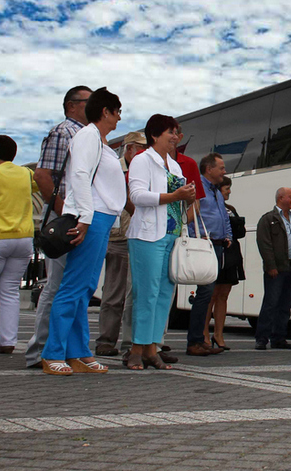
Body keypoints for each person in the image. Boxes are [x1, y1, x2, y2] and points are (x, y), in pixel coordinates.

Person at [40, 88, 127, 375]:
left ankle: (78, 351)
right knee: (73, 287)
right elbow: (78, 175)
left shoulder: (100, 140)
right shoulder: (88, 136)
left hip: (101, 218)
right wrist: (86, 218)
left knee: (85, 287)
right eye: (117, 111)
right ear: (105, 112)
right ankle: (53, 352)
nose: (119, 116)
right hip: (91, 217)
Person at [25, 85, 91, 369]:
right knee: (56, 286)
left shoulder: (88, 135)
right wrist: (66, 212)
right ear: (72, 105)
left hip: (79, 220)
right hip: (66, 220)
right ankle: (39, 351)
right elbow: (42, 174)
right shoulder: (62, 132)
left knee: (74, 286)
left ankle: (63, 349)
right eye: (89, 102)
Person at [126, 114, 196, 370]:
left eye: (177, 133)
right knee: (147, 292)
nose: (176, 137)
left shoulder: (174, 165)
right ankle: (136, 348)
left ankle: (152, 347)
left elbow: (178, 198)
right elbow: (137, 196)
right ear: (155, 136)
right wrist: (173, 195)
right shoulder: (142, 160)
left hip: (171, 234)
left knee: (164, 294)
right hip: (147, 235)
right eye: (171, 132)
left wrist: (185, 197)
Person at [0, 135, 39, 354]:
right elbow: (39, 184)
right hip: (24, 239)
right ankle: (8, 341)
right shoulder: (25, 173)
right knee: (10, 291)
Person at [94, 131, 145, 357]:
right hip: (117, 237)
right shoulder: (115, 168)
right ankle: (106, 340)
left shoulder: (143, 169)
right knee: (114, 292)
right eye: (140, 148)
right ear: (129, 149)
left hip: (139, 237)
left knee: (136, 295)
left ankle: (132, 343)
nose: (144, 153)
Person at [254, 187, 291, 350]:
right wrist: (270, 265)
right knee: (271, 302)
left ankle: (279, 337)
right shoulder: (268, 219)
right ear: (281, 198)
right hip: (277, 268)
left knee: (285, 304)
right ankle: (262, 338)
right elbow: (264, 244)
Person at [185, 153, 232, 356]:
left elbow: (224, 217)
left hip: (218, 246)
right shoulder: (198, 189)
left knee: (208, 292)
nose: (224, 171)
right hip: (205, 245)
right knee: (205, 293)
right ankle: (195, 340)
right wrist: (198, 236)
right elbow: (189, 216)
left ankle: (199, 339)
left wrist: (227, 234)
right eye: (221, 168)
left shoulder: (217, 192)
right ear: (208, 169)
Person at [203, 176, 245, 350]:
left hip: (231, 254)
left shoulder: (231, 209)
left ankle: (219, 334)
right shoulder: (212, 207)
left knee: (223, 295)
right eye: (226, 188)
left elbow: (240, 232)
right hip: (215, 252)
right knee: (210, 295)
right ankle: (204, 332)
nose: (229, 192)